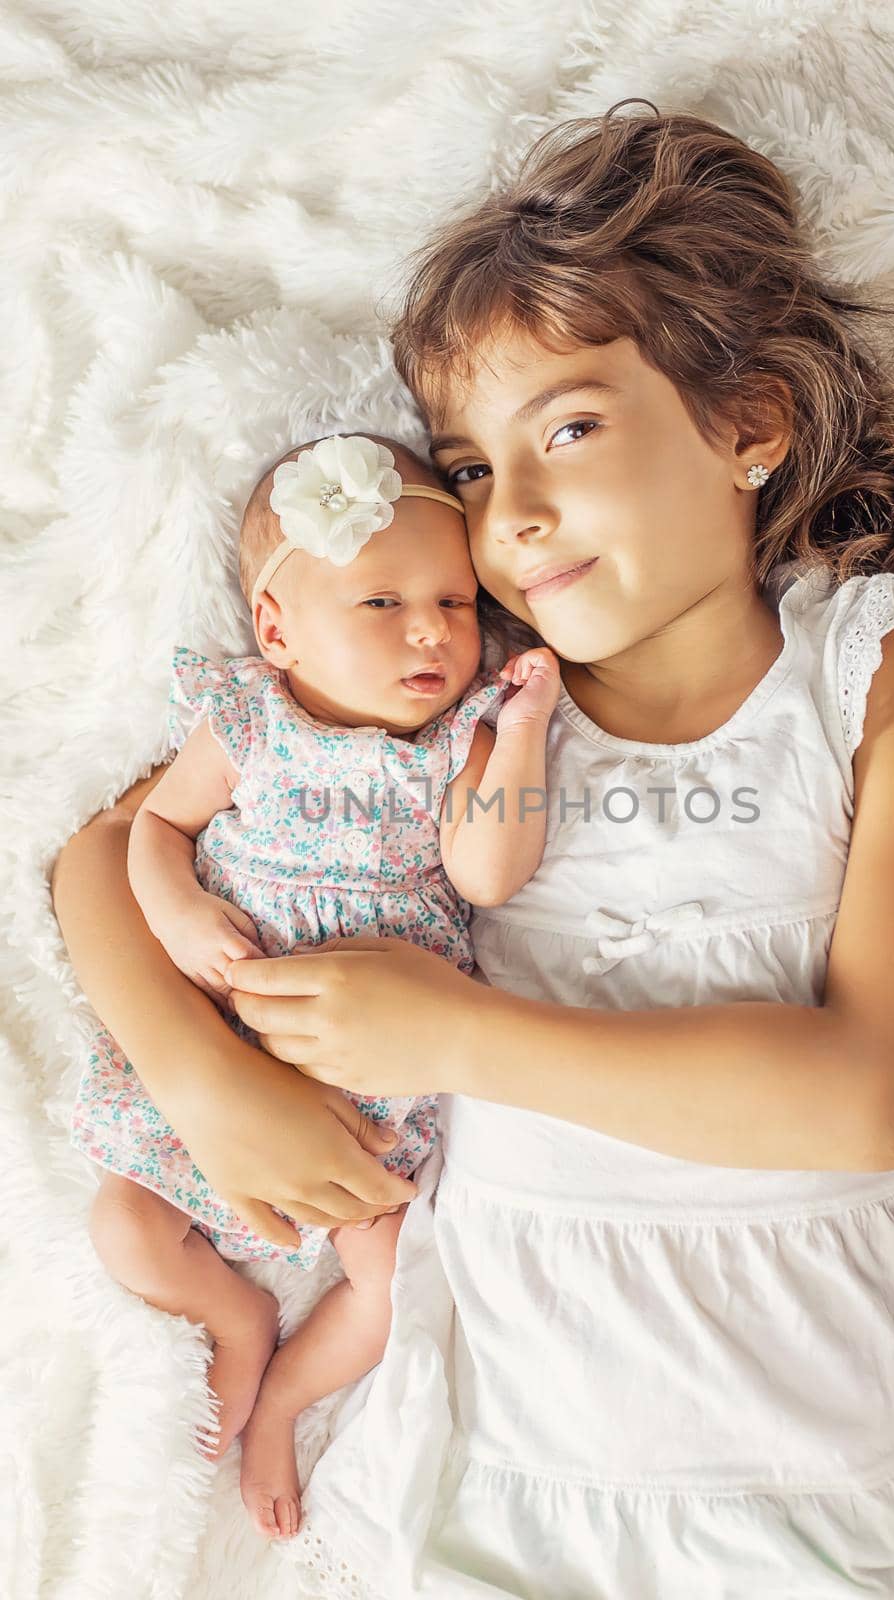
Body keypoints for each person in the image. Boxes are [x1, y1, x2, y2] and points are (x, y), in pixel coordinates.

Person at [51, 101, 894, 1597]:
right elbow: (100, 861)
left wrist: (458, 1036)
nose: (516, 517)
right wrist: (201, 1080)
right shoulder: (448, 702)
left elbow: (865, 1100)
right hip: (495, 1414)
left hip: (795, 1431)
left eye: (565, 428)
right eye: (473, 471)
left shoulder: (875, 679)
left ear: (746, 424)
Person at [65, 429, 559, 1545]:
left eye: (452, 599)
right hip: (221, 1033)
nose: (430, 628)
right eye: (380, 604)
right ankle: (232, 1314)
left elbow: (488, 868)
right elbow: (153, 829)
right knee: (124, 1223)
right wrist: (181, 909)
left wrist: (520, 732)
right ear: (277, 631)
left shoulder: (457, 740)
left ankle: (284, 1393)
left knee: (388, 1283)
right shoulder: (249, 722)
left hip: (364, 1085)